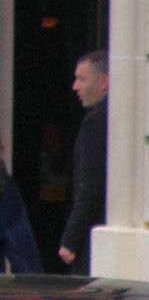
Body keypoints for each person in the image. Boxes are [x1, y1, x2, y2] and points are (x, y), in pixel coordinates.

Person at [60, 49, 108, 272]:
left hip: (92, 235)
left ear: (103, 81)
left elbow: (89, 186)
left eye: (81, 79)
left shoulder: (97, 120)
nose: (75, 87)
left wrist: (70, 239)